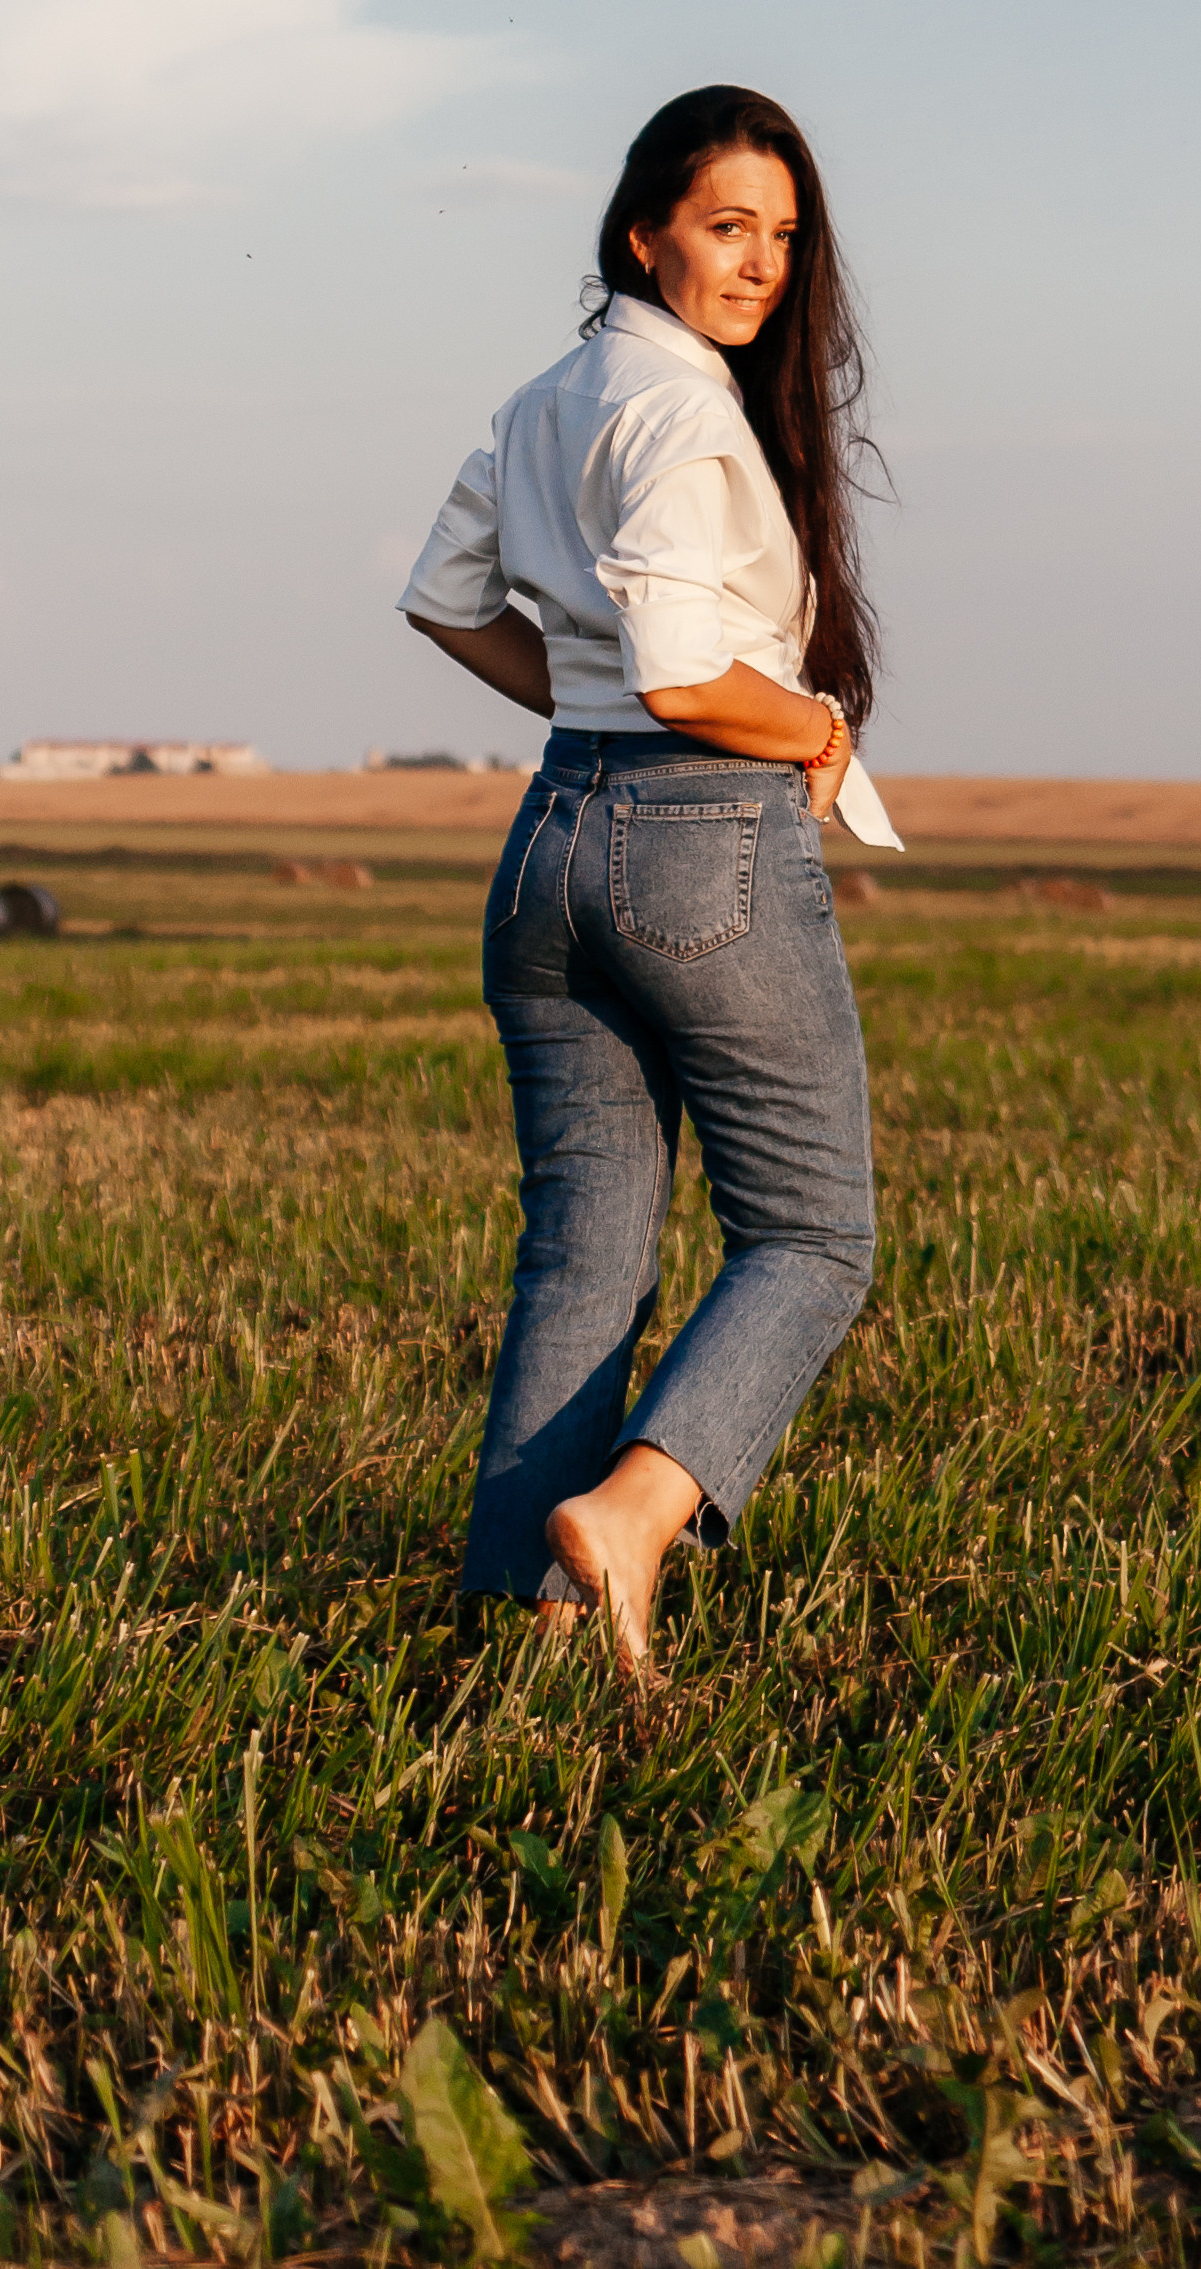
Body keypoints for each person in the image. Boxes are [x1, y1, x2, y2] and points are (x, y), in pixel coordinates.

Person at [398, 83, 900, 1672]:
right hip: (698, 838)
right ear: (644, 232)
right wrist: (814, 719)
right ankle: (632, 1513)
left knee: (586, 1247)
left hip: (552, 842)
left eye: (781, 235)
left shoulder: (549, 397)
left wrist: (575, 702)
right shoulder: (687, 416)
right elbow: (691, 674)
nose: (759, 264)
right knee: (816, 1237)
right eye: (726, 226)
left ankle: (523, 1624)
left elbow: (440, 598)